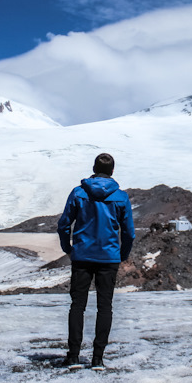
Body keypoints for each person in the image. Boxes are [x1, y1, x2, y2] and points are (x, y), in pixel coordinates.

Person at [57, 152, 135, 370]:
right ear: (112, 171)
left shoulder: (79, 193)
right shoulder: (120, 197)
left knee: (77, 306)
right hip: (108, 258)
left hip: (82, 256)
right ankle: (98, 359)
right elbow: (129, 232)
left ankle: (73, 356)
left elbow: (63, 225)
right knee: (105, 307)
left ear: (93, 168)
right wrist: (122, 255)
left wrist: (69, 249)